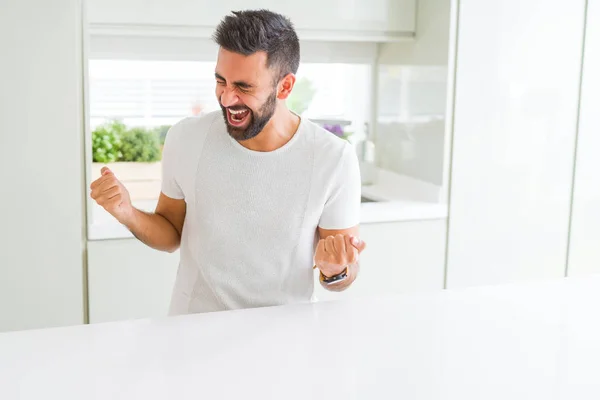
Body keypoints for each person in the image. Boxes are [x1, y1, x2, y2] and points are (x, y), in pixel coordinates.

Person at [90, 9, 366, 315]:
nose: (226, 98)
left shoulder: (333, 159)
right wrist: (127, 212)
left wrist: (335, 271)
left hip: (284, 336)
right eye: (221, 81)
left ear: (285, 86)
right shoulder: (187, 137)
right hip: (193, 329)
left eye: (244, 87)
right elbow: (170, 234)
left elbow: (343, 273)